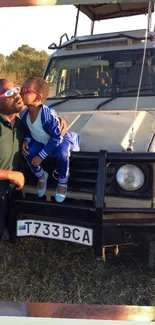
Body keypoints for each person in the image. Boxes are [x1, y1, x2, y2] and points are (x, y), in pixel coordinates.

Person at [0, 78, 68, 239]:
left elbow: (42, 124)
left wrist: (59, 120)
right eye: (9, 93)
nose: (17, 95)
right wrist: (10, 174)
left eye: (17, 90)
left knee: (14, 229)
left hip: (13, 192)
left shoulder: (21, 123)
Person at [20, 76, 80, 203]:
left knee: (61, 154)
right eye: (21, 89)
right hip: (41, 140)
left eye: (26, 91)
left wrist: (41, 156)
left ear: (38, 97)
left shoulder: (47, 116)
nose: (21, 93)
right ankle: (41, 176)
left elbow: (57, 137)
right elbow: (30, 131)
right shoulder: (24, 114)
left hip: (57, 138)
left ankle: (63, 181)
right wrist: (26, 140)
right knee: (27, 152)